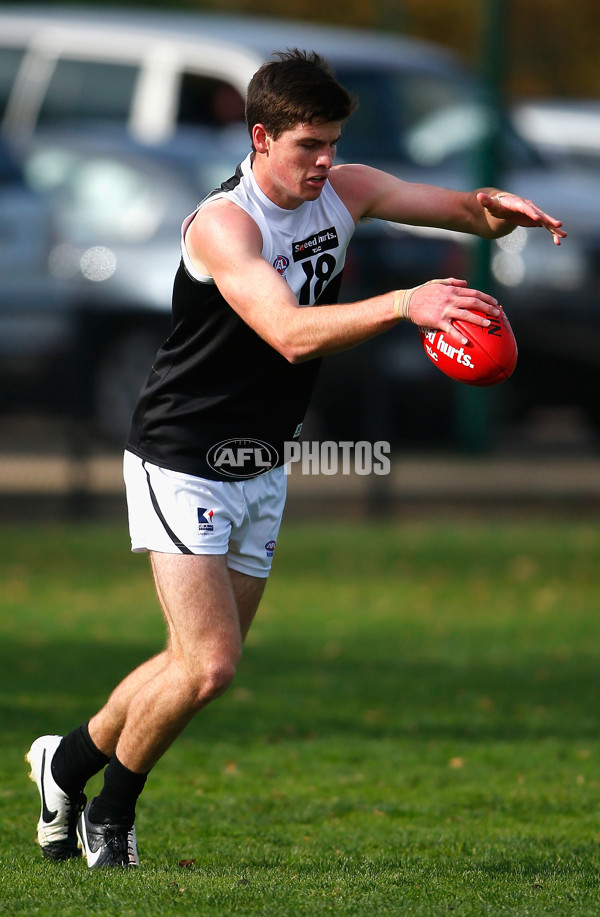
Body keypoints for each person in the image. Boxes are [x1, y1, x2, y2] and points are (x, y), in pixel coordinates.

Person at [25, 49, 566, 869]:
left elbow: (453, 208)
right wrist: (404, 303)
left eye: (334, 143)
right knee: (210, 666)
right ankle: (112, 813)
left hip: (261, 459)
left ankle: (61, 765)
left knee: (188, 661)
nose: (326, 161)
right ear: (260, 135)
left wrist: (493, 210)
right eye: (308, 144)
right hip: (182, 454)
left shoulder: (341, 192)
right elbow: (287, 332)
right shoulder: (225, 223)